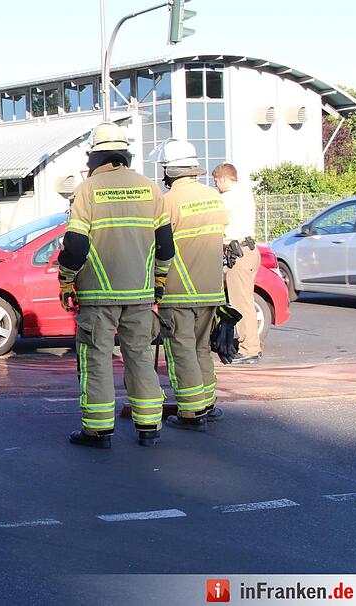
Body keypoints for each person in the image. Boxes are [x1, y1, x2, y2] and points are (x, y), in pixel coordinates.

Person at [59, 123, 175, 449]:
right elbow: (166, 246)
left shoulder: (88, 190)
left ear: (94, 156)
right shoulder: (150, 189)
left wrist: (67, 280)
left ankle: (98, 430)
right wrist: (159, 279)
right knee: (138, 355)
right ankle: (149, 425)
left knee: (96, 358)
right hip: (139, 293)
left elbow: (76, 244)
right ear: (125, 155)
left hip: (97, 295)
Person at [154, 141, 228, 432]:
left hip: (180, 291)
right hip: (211, 290)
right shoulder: (214, 197)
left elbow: (158, 247)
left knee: (181, 350)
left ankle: (190, 412)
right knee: (201, 348)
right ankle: (208, 404)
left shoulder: (168, 202)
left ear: (170, 172)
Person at [213, 162, 261, 366]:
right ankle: (253, 346)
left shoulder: (226, 199)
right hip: (251, 250)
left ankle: (248, 350)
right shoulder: (245, 194)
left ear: (224, 179)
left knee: (240, 303)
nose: (216, 185)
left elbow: (216, 223)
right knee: (248, 301)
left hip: (237, 252)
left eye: (216, 181)